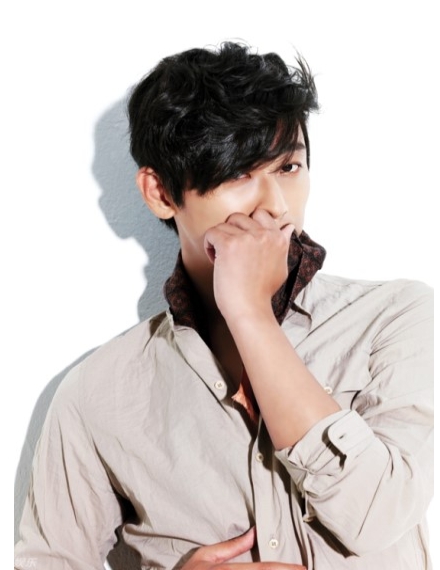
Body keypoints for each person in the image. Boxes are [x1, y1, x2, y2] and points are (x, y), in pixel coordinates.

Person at [15, 42, 433, 570]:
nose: (276, 206)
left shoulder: (393, 317)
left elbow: (378, 516)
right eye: (239, 174)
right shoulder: (98, 392)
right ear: (161, 192)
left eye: (289, 167)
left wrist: (250, 313)